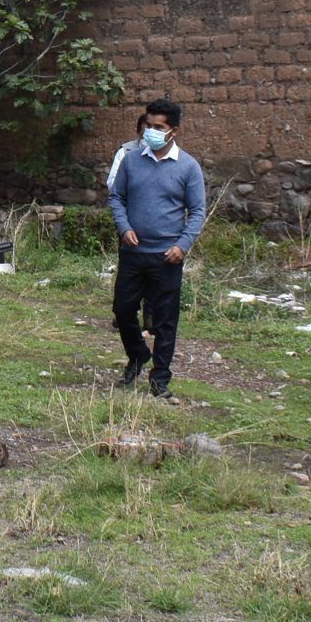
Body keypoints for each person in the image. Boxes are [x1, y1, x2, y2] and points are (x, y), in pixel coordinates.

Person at [107, 98, 205, 401]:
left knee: (165, 320)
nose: (150, 131)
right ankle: (137, 354)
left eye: (158, 127)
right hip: (134, 253)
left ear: (173, 131)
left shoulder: (188, 167)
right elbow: (116, 197)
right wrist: (124, 227)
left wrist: (182, 245)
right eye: (148, 125)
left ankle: (160, 378)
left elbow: (198, 211)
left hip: (167, 256)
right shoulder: (132, 160)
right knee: (123, 310)